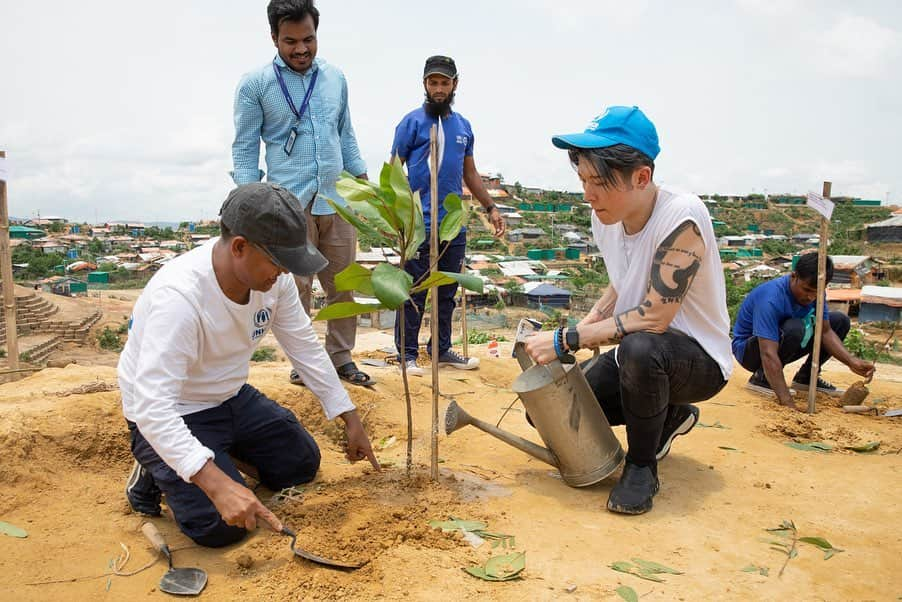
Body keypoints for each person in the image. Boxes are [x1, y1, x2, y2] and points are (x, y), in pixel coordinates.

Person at [120, 183, 379, 547]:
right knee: (221, 526)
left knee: (300, 465)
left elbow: (303, 344)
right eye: (278, 261)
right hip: (172, 410)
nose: (285, 273)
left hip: (229, 396)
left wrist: (348, 416)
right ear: (240, 246)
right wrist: (216, 483)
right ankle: (156, 466)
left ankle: (212, 453)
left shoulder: (274, 283)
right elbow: (152, 405)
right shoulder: (178, 299)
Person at [524, 106, 733, 515]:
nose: (588, 194)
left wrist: (566, 338)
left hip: (697, 361)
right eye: (583, 180)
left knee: (641, 348)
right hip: (640, 353)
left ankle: (641, 466)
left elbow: (655, 317)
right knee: (553, 412)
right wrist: (585, 324)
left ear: (642, 177)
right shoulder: (605, 216)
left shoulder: (682, 215)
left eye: (599, 182)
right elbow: (624, 281)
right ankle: (668, 418)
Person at [232, 0, 372, 387]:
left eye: (308, 39)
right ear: (274, 37)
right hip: (288, 202)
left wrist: (363, 184)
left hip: (337, 197)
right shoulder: (255, 84)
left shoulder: (335, 78)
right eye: (290, 41)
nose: (301, 49)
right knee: (295, 288)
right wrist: (248, 202)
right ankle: (305, 363)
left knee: (344, 284)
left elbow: (345, 133)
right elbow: (245, 148)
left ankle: (341, 358)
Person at [390, 55, 505, 376]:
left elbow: (470, 173)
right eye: (433, 82)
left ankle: (440, 350)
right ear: (425, 84)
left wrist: (490, 207)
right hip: (417, 226)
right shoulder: (411, 123)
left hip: (452, 226)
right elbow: (392, 172)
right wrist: (394, 217)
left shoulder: (463, 127)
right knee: (414, 292)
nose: (439, 88)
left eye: (444, 82)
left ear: (455, 84)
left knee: (447, 293)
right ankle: (407, 355)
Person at [732, 252, 874, 408]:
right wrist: (787, 401)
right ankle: (761, 378)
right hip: (750, 352)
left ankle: (805, 378)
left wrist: (851, 361)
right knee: (795, 327)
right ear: (794, 276)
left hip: (783, 342)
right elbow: (767, 353)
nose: (811, 297)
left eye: (816, 292)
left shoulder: (817, 293)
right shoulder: (771, 297)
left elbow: (825, 331)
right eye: (806, 290)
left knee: (839, 321)